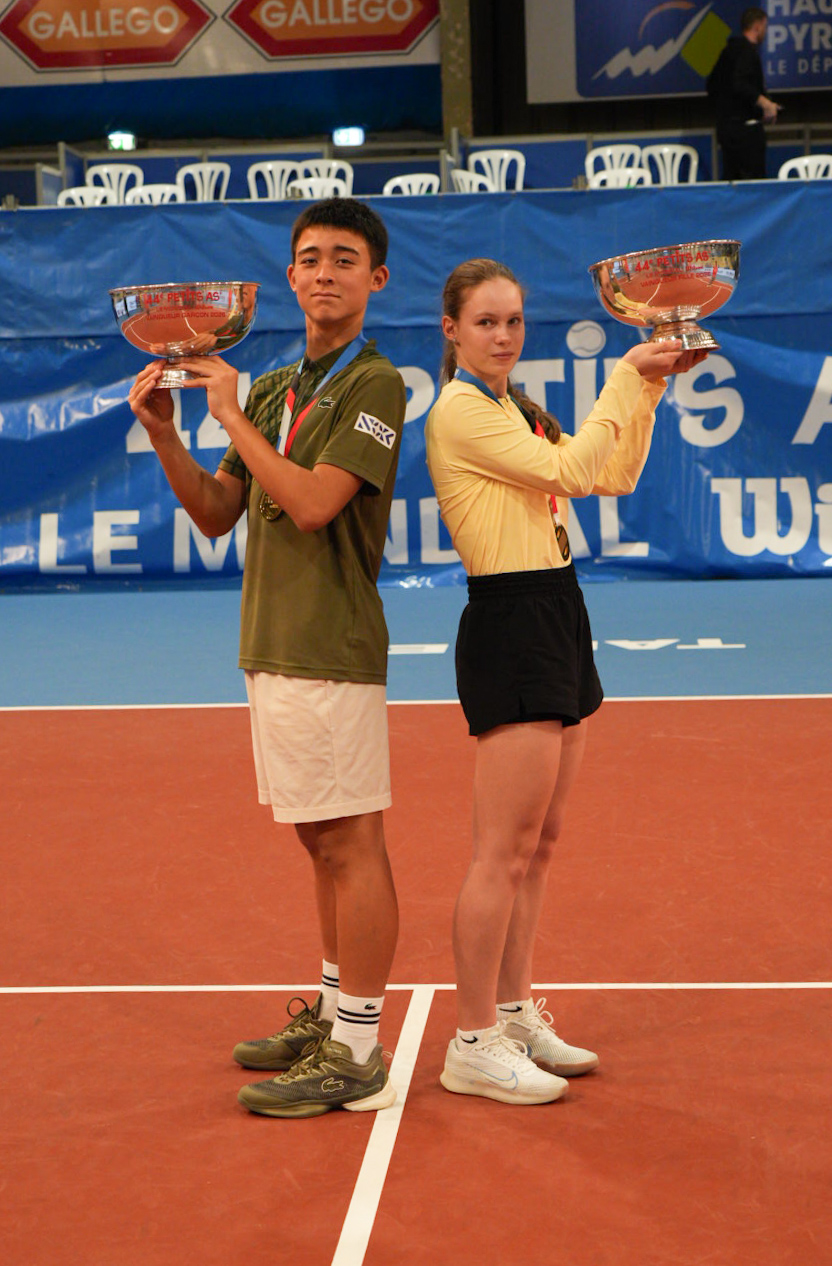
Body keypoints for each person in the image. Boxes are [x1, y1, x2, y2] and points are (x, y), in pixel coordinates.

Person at [128, 199, 406, 1119]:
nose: (325, 271)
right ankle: (330, 1015)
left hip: (332, 643)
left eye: (345, 258)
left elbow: (316, 504)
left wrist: (227, 413)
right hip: (272, 641)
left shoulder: (376, 385)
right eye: (311, 258)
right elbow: (218, 513)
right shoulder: (275, 386)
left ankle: (357, 1050)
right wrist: (168, 431)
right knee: (318, 842)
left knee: (353, 843)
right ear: (289, 277)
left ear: (376, 279)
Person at [425, 258, 707, 1106]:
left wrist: (650, 388)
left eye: (514, 321)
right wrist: (626, 371)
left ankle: (513, 1014)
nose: (504, 336)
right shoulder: (460, 410)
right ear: (452, 330)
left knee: (538, 845)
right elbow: (576, 472)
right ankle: (472, 1040)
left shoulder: (516, 407)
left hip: (559, 610)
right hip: (511, 622)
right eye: (486, 322)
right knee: (500, 853)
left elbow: (612, 473)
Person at [707, 6, 781, 180]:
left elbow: (711, 86)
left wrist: (729, 110)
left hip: (726, 130)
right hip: (746, 133)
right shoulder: (747, 52)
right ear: (757, 27)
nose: (765, 32)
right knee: (753, 184)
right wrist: (765, 104)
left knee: (732, 182)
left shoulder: (727, 52)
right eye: (765, 27)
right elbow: (739, 83)